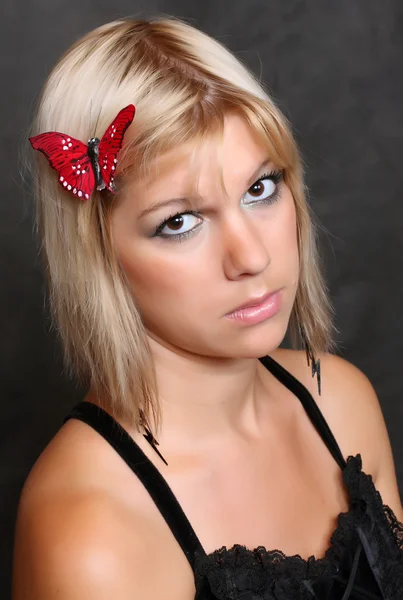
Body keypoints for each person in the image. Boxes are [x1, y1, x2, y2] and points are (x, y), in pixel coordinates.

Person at [12, 16, 403, 600]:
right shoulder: (92, 532)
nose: (251, 257)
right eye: (179, 222)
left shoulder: (341, 402)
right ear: (98, 255)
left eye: (261, 188)